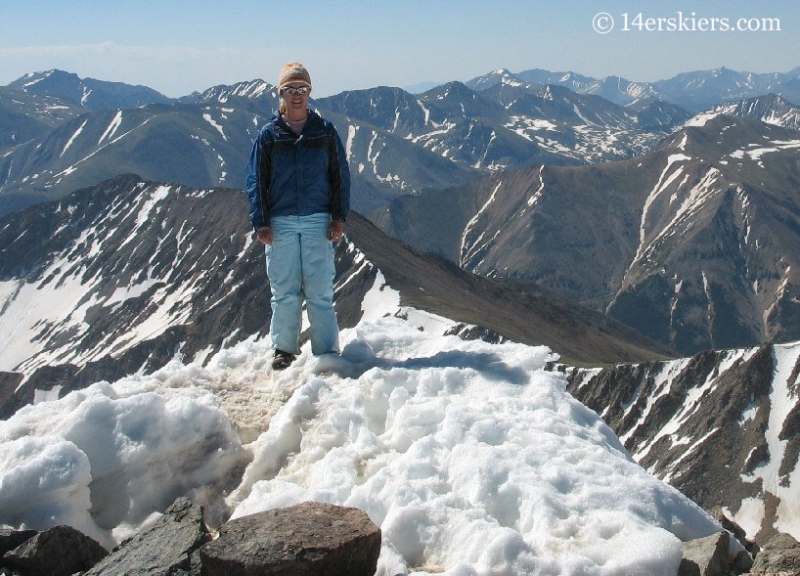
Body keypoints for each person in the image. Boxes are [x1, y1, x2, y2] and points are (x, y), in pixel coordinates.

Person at [245, 62, 350, 370]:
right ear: (281, 94)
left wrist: (338, 217)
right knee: (285, 291)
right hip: (280, 223)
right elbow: (256, 180)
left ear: (309, 92)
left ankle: (327, 352)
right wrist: (260, 222)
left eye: (301, 89)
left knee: (319, 290)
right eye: (290, 90)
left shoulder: (325, 133)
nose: (296, 96)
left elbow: (338, 176)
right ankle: (284, 350)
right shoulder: (269, 136)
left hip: (318, 220)